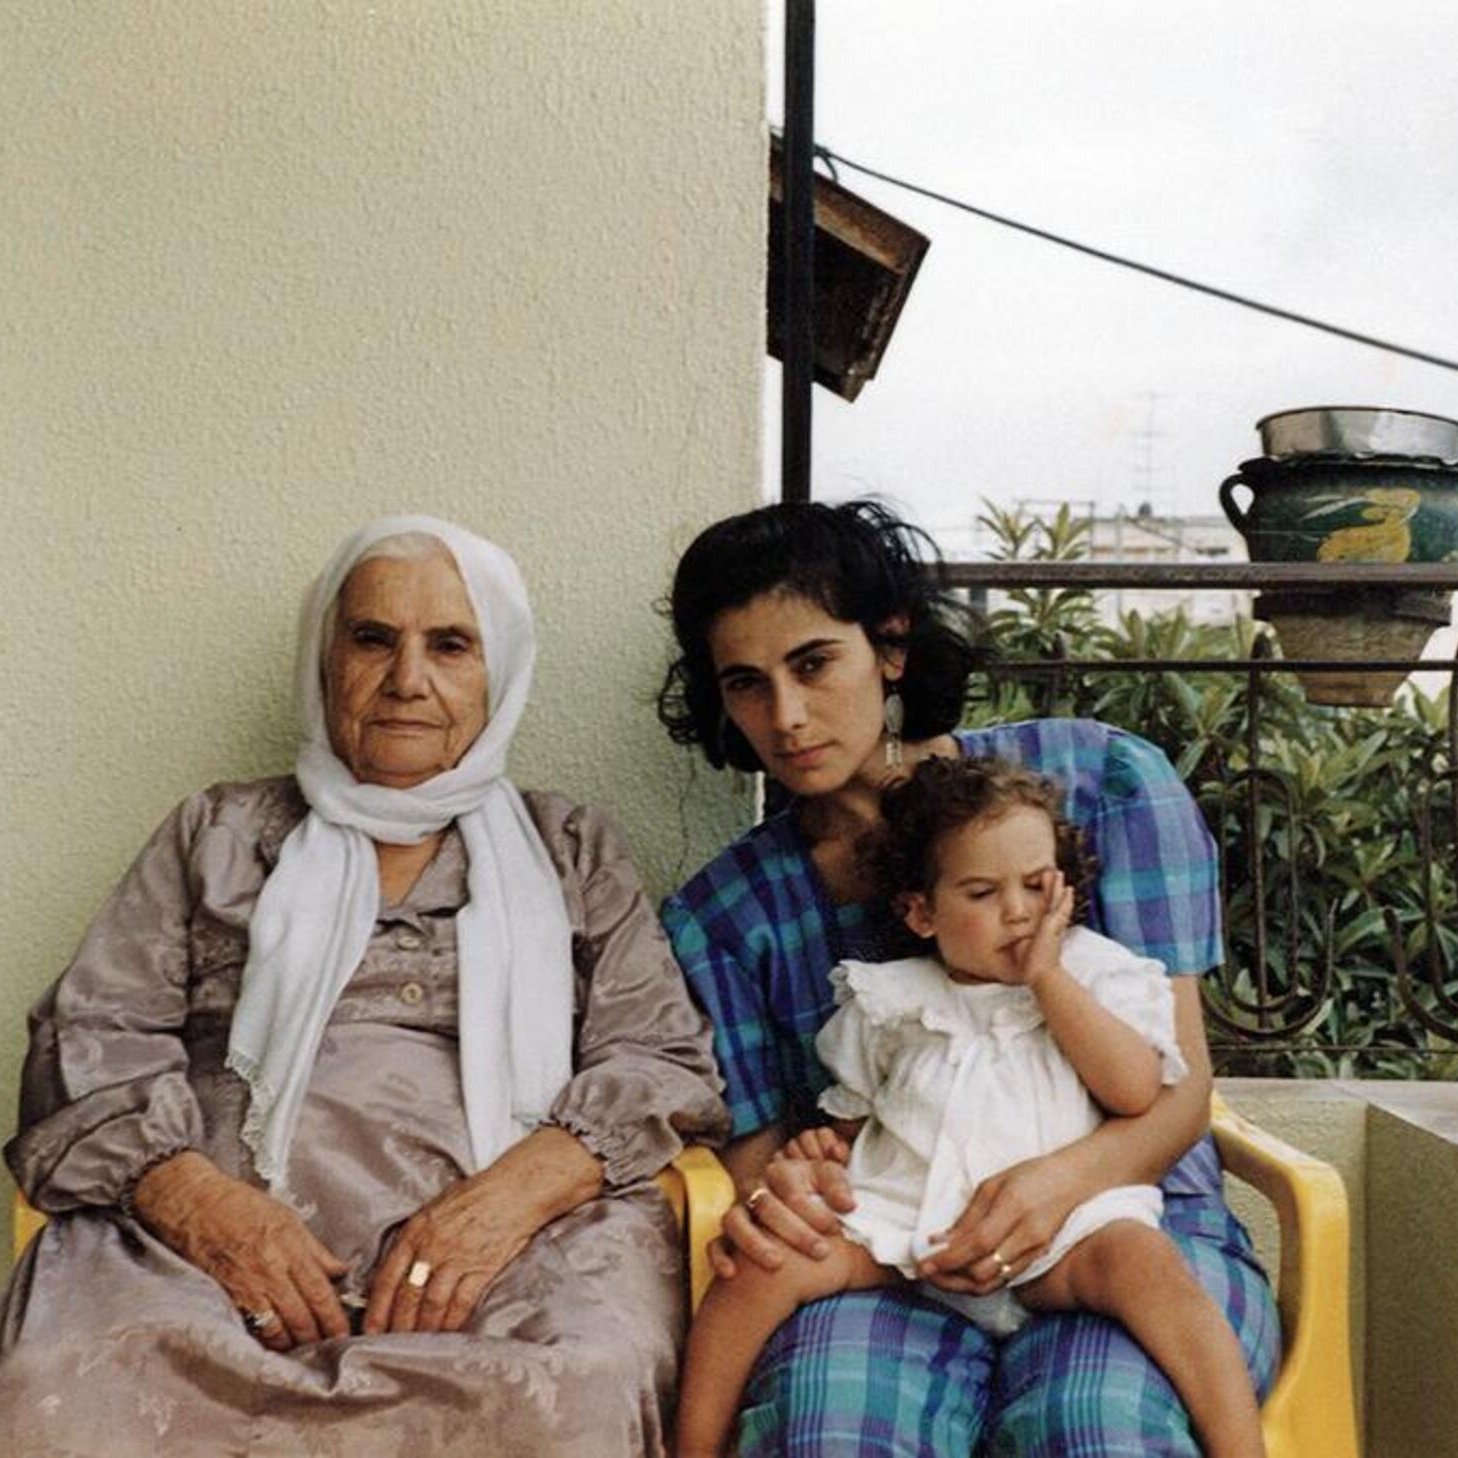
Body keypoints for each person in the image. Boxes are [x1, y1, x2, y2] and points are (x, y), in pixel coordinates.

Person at [1, 515, 727, 1458]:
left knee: (581, 1375)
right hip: (208, 1254)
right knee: (73, 1369)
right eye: (373, 639)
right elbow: (87, 1033)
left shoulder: (567, 849)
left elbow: (659, 1057)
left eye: (450, 646)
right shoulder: (217, 832)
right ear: (325, 659)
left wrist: (500, 1208)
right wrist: (200, 1206)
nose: (408, 679)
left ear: (497, 670)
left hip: (513, 1250)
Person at [657, 499, 1280, 1456]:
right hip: (899, 1232)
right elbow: (767, 1159)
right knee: (829, 1423)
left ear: (891, 647)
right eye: (746, 684)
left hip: (1129, 1211)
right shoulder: (724, 917)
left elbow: (1177, 1090)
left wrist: (1057, 1184)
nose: (785, 716)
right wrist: (796, 1177)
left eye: (814, 663)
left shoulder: (1100, 786)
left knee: (1100, 1421)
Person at [675, 755, 1264, 1458]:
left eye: (1036, 886)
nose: (1017, 911)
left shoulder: (1095, 974)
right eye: (982, 892)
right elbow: (852, 1117)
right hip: (905, 1228)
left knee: (1155, 1275)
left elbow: (1137, 1091)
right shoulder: (888, 999)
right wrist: (818, 1154)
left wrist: (1048, 979)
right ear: (921, 913)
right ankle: (693, 1445)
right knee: (758, 1271)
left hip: (1066, 1235)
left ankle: (1241, 1449)